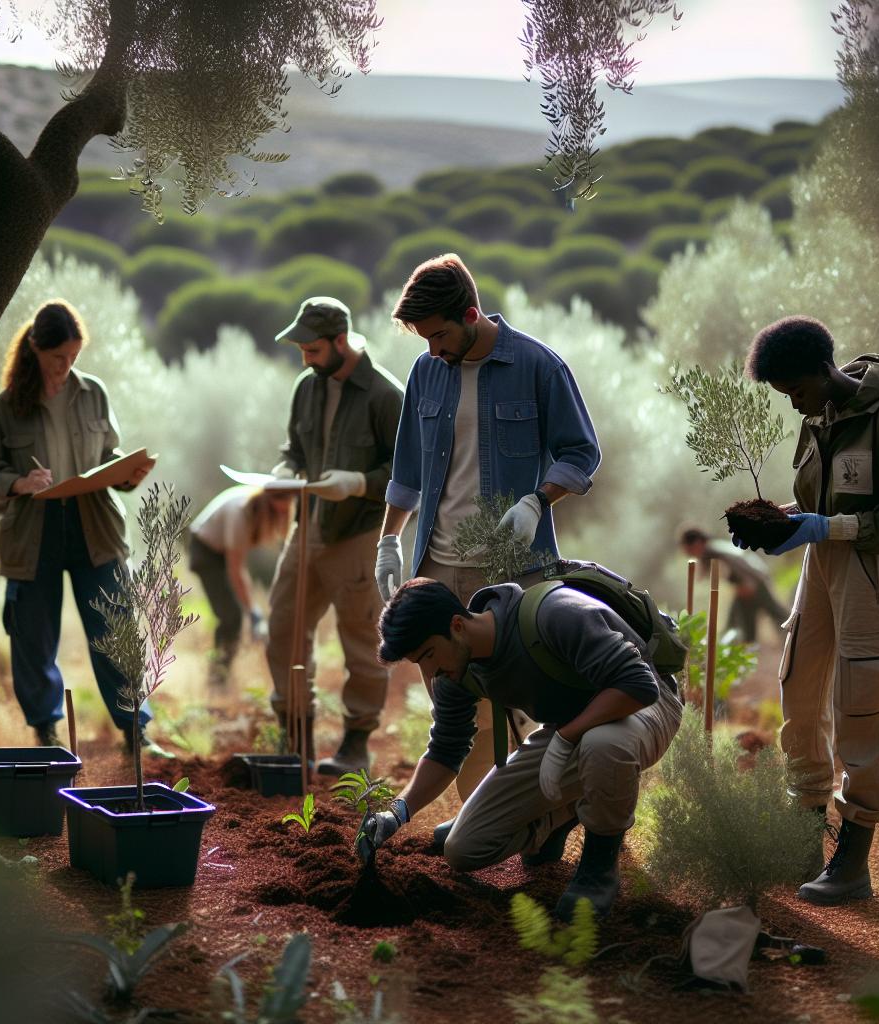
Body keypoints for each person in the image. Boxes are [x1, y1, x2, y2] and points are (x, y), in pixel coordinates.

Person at [375, 253, 601, 799]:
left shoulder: (540, 367)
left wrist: (535, 502)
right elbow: (407, 469)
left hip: (512, 572)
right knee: (455, 710)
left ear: (471, 314)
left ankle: (539, 821)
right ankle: (484, 835)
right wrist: (388, 540)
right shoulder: (428, 369)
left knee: (528, 705)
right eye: (423, 339)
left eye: (438, 335)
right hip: (437, 565)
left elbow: (581, 453)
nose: (431, 349)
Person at [739, 315, 879, 904]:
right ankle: (806, 835)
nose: (793, 405)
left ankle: (854, 856)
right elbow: (817, 497)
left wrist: (827, 525)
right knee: (799, 688)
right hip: (821, 565)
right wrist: (787, 518)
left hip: (868, 567)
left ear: (822, 371)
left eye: (795, 390)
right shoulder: (817, 418)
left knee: (861, 705)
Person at [361, 577, 682, 920]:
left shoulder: (554, 613)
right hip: (573, 728)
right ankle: (556, 817)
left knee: (603, 743)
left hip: (645, 705)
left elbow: (638, 683)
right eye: (417, 661)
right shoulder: (455, 672)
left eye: (427, 653)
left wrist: (566, 737)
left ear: (457, 625)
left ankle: (598, 869)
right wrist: (397, 813)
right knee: (463, 848)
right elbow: (445, 749)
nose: (429, 670)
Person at [0, 300, 155, 750]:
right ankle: (48, 732)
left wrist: (127, 471)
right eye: (60, 357)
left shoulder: (93, 392)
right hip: (31, 534)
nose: (67, 365)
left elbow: (108, 456)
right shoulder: (6, 406)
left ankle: (137, 731)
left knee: (117, 629)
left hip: (95, 525)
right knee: (33, 637)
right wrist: (21, 481)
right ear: (35, 348)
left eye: (74, 356)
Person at [263, 296, 404, 774]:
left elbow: (412, 475)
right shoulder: (308, 386)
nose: (305, 358)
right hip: (310, 529)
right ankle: (295, 734)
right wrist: (286, 469)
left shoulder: (387, 397)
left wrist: (361, 484)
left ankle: (355, 745)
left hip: (359, 534)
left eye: (313, 349)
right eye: (302, 350)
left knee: (361, 640)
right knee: (283, 626)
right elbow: (294, 447)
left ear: (341, 342)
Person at [188, 483, 293, 686]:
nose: (287, 504)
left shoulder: (262, 512)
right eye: (282, 498)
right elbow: (235, 570)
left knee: (234, 615)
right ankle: (218, 679)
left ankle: (221, 677)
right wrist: (253, 612)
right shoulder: (240, 513)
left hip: (219, 554)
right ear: (269, 499)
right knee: (231, 617)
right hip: (206, 553)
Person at [677, 525, 789, 644]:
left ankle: (793, 638)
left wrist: (749, 584)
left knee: (777, 615)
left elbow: (742, 565)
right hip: (744, 588)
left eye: (688, 549)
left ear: (697, 543)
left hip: (753, 584)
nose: (687, 552)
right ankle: (748, 650)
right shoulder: (709, 552)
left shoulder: (714, 550)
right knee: (745, 624)